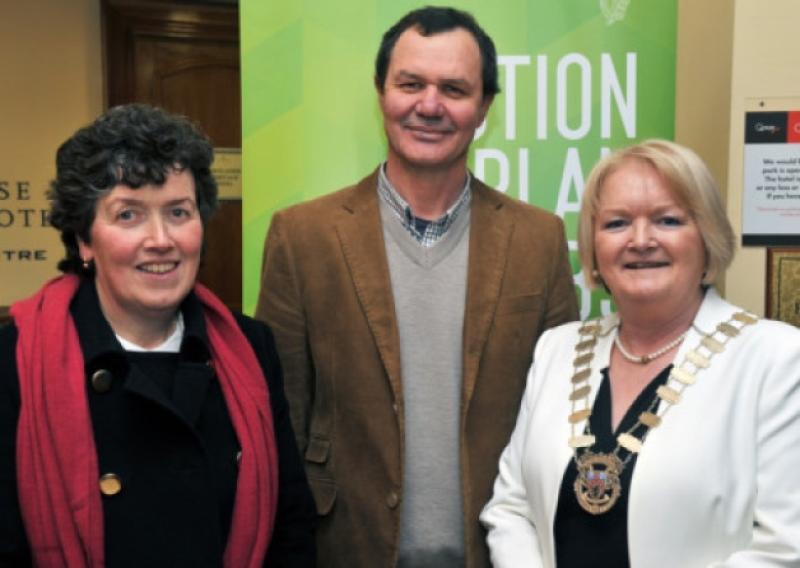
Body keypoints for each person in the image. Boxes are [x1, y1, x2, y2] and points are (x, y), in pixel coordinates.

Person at [255, 6, 578, 567]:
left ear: (484, 109)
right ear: (381, 92)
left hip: (499, 553)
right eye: (411, 84)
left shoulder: (539, 239)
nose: (429, 105)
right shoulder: (301, 236)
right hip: (346, 552)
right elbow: (280, 420)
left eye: (454, 88)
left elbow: (560, 418)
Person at [0, 104, 316, 567]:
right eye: (128, 215)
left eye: (178, 212)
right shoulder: (15, 362)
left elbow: (291, 529)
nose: (161, 239)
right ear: (85, 240)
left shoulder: (251, 347)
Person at [480, 139, 800, 567]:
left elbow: (784, 548)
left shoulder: (776, 359)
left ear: (707, 237)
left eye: (668, 220)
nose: (641, 240)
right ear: (593, 247)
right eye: (616, 224)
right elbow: (511, 507)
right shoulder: (558, 349)